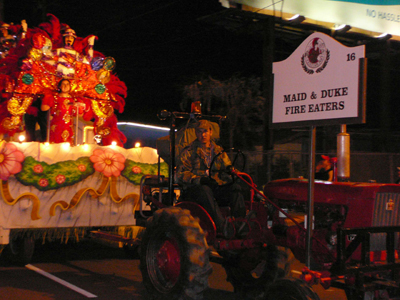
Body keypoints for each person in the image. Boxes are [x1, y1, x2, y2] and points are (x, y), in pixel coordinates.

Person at [176, 120, 246, 234]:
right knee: (205, 190)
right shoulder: (189, 151)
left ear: (210, 132)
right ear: (196, 133)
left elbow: (228, 167)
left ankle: (240, 224)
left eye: (205, 131)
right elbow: (179, 175)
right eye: (199, 132)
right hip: (196, 191)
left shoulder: (218, 151)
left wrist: (236, 174)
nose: (203, 135)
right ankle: (222, 226)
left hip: (215, 188)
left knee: (235, 188)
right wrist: (200, 179)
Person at [41, 78, 82, 144]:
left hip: (68, 127)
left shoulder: (73, 99)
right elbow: (43, 108)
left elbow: (79, 115)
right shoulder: (55, 98)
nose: (65, 86)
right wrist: (47, 97)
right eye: (63, 84)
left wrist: (79, 106)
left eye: (67, 84)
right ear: (60, 86)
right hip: (57, 126)